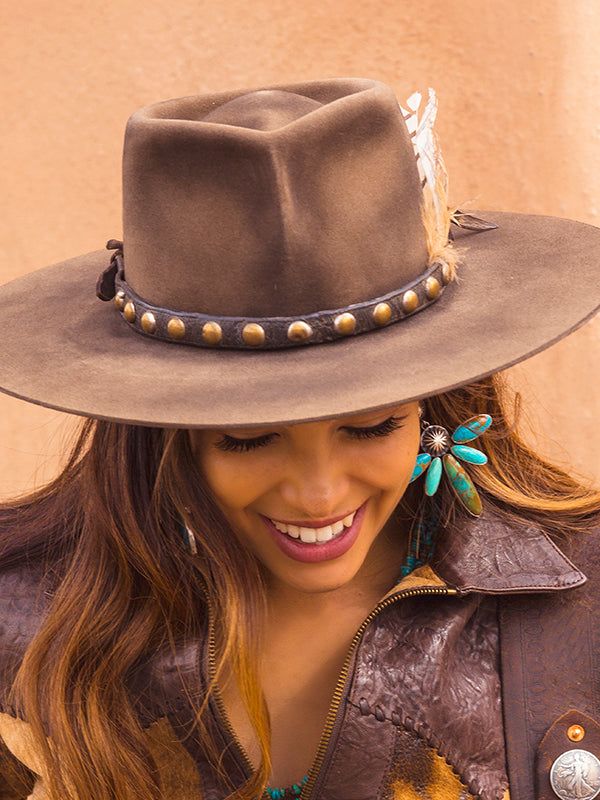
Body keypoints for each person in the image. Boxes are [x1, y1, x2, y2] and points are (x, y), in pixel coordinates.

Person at [0, 77, 598, 800]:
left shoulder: (582, 606)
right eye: (249, 441)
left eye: (372, 427)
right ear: (164, 440)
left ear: (435, 404)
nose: (319, 495)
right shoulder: (21, 626)